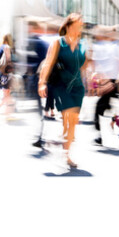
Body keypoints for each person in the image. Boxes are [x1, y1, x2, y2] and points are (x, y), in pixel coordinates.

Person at [37, 13, 88, 169]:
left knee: (72, 122)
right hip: (62, 86)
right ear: (69, 25)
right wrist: (42, 82)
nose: (80, 27)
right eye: (78, 24)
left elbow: (84, 67)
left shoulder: (83, 44)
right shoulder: (58, 43)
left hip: (78, 87)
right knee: (70, 116)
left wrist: (91, 83)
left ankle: (64, 150)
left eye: (81, 25)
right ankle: (64, 148)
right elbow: (48, 63)